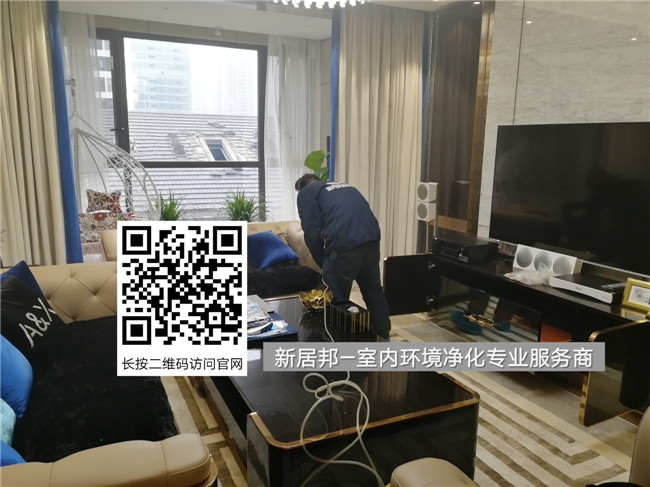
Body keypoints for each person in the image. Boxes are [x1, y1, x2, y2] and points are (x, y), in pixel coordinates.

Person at [294, 173, 391, 340]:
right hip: (371, 238)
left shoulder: (306, 192)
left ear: (302, 188)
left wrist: (324, 263)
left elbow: (311, 233)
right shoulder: (343, 186)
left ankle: (338, 343)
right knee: (373, 291)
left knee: (336, 299)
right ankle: (384, 337)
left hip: (345, 242)